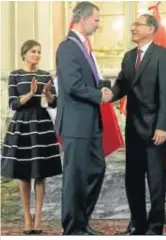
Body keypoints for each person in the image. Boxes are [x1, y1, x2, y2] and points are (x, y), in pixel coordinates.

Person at [109, 14, 166, 235]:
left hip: (156, 129)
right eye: (133, 24)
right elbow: (120, 86)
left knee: (156, 181)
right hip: (134, 128)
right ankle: (137, 224)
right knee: (133, 179)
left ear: (150, 29)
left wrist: (162, 126)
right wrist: (104, 94)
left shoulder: (163, 55)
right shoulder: (128, 57)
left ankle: (155, 227)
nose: (132, 28)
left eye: (137, 25)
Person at [55, 2, 112, 235]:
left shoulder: (84, 47)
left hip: (90, 122)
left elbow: (89, 80)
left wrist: (107, 89)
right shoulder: (68, 47)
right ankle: (72, 228)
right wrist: (99, 95)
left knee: (96, 169)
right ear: (84, 19)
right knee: (75, 176)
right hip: (75, 123)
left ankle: (81, 222)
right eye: (96, 20)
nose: (98, 25)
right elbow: (72, 85)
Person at [1, 40, 62, 235]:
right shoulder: (15, 75)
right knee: (24, 175)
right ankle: (27, 218)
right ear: (25, 53)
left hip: (41, 124)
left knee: (40, 174)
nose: (37, 55)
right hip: (22, 125)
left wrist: (46, 94)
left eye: (39, 52)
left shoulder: (45, 75)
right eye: (33, 51)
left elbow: (53, 103)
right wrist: (30, 93)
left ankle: (38, 220)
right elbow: (13, 104)